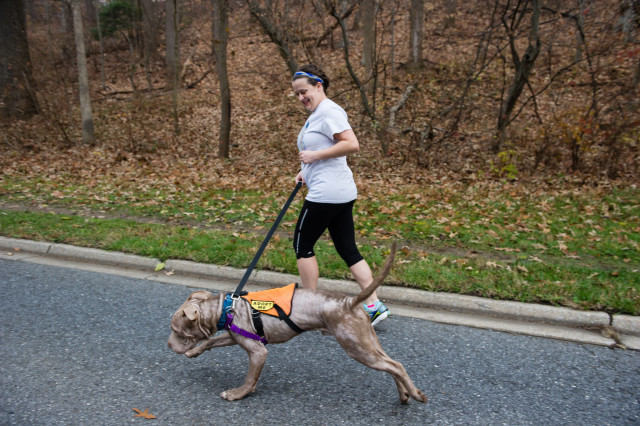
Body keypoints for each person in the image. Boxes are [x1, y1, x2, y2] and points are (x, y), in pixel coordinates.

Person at [290, 64, 389, 326]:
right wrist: (306, 171)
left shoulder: (329, 112)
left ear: (318, 85)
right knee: (347, 249)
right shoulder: (320, 113)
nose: (301, 98)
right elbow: (324, 149)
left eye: (304, 92)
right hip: (340, 191)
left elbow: (351, 144)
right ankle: (374, 305)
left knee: (302, 246)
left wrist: (314, 156)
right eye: (297, 95)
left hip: (325, 194)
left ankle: (309, 306)